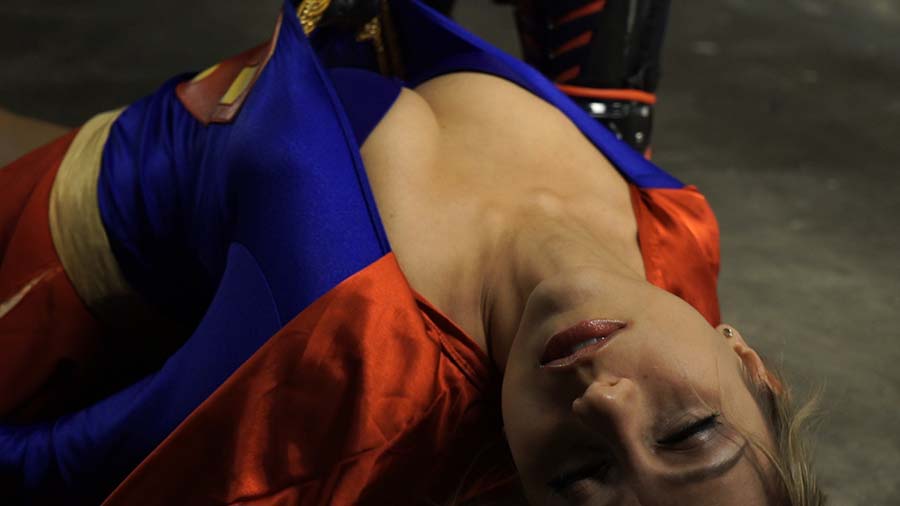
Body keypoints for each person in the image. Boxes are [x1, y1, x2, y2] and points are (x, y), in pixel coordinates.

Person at [0, 0, 823, 504]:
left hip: (51, 260)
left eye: (578, 477)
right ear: (747, 362)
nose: (604, 405)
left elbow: (73, 471)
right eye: (688, 433)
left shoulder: (362, 357)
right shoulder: (677, 239)